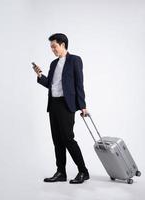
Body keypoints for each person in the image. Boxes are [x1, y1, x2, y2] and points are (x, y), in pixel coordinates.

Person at [33, 33, 89, 184]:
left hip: (66, 104)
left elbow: (79, 84)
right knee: (57, 140)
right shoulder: (53, 64)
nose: (52, 50)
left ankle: (83, 171)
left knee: (68, 139)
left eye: (54, 46)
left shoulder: (75, 60)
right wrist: (40, 75)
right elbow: (50, 85)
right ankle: (61, 172)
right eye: (51, 47)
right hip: (54, 105)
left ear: (63, 45)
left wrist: (82, 106)